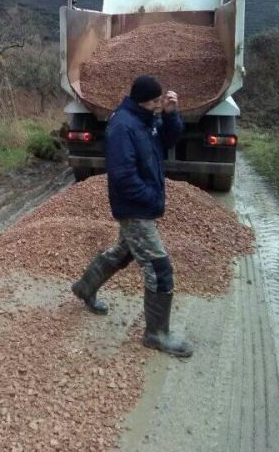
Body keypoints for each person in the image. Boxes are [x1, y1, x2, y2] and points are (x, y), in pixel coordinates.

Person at [72, 75, 193, 357]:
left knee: (123, 252)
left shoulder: (145, 119)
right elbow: (122, 176)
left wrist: (171, 115)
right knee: (159, 269)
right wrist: (152, 199)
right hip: (134, 208)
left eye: (159, 101)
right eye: (155, 102)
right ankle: (156, 334)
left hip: (140, 205)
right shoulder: (122, 126)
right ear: (141, 101)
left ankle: (84, 287)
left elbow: (167, 140)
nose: (157, 105)